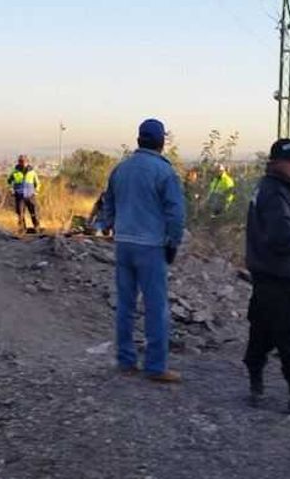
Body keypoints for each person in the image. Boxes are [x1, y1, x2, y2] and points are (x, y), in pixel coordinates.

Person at [102, 119, 185, 383]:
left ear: (139, 139)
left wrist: (108, 225)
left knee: (125, 305)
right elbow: (175, 214)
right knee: (155, 307)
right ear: (161, 141)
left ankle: (126, 360)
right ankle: (156, 366)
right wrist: (173, 243)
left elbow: (109, 202)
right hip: (151, 246)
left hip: (124, 243)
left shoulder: (121, 169)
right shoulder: (164, 172)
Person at [243, 139, 290, 415]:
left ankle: (255, 384)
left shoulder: (275, 189)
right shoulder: (276, 195)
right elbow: (282, 238)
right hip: (281, 277)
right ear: (275, 164)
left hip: (268, 275)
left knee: (262, 332)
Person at [6, 154, 41, 233]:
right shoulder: (14, 172)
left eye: (24, 161)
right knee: (20, 213)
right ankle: (22, 229)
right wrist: (11, 189)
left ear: (27, 161)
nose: (22, 163)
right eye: (21, 161)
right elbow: (8, 181)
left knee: (34, 212)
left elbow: (37, 183)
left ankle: (37, 228)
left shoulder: (32, 172)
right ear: (19, 162)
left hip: (30, 195)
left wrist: (36, 191)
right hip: (19, 195)